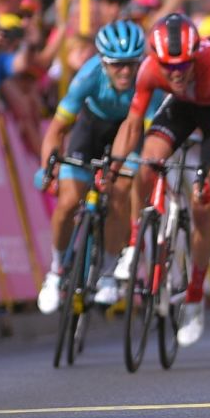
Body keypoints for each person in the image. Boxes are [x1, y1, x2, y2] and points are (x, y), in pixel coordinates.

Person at [111, 13, 210, 347]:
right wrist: (113, 167)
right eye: (168, 66)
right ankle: (134, 244)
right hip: (183, 105)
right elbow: (132, 125)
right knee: (147, 164)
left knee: (203, 206)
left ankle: (195, 295)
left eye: (183, 65)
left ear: (194, 56)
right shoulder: (149, 70)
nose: (175, 72)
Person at [35, 21, 148, 313]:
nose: (125, 72)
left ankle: (107, 273)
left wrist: (120, 169)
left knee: (121, 193)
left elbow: (146, 135)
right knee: (68, 202)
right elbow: (57, 129)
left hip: (130, 131)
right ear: (103, 63)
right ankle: (56, 271)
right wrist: (49, 168)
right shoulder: (88, 75)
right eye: (117, 65)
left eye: (131, 64)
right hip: (91, 129)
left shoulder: (148, 79)